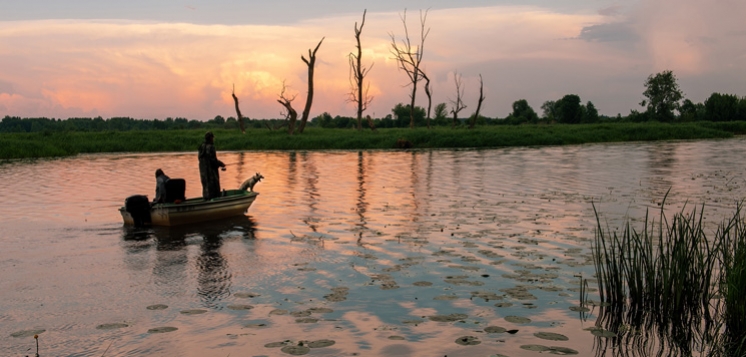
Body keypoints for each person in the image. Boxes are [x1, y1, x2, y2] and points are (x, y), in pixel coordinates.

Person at [198, 131, 226, 200]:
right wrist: (221, 164)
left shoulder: (201, 147)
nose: (213, 139)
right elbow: (213, 160)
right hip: (211, 171)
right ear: (210, 138)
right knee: (214, 185)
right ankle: (214, 199)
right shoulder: (211, 147)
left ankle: (206, 198)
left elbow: (199, 158)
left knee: (205, 185)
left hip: (203, 172)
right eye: (212, 138)